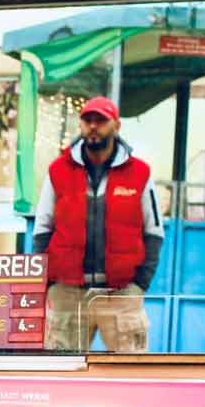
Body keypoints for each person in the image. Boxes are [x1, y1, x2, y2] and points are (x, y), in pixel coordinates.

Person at [33, 96, 163, 353]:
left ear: (116, 125)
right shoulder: (58, 170)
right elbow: (42, 230)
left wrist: (139, 285)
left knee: (132, 373)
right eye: (87, 120)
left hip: (121, 293)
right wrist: (48, 284)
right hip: (68, 293)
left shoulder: (139, 173)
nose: (93, 126)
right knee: (62, 374)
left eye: (101, 121)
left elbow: (154, 232)